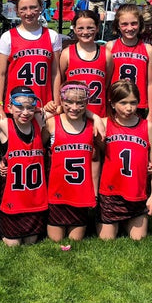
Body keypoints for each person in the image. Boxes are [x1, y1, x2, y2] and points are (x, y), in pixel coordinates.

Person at [96, 80, 152, 241]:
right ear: (112, 103)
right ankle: (107, 219)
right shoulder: (104, 124)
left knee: (139, 239)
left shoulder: (147, 127)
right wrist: (94, 117)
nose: (129, 108)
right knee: (106, 240)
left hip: (136, 194)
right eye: (123, 103)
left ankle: (127, 221)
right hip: (110, 194)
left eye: (133, 102)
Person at [0, 86, 48, 246]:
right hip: (13, 196)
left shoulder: (38, 121)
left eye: (30, 108)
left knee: (30, 242)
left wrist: (41, 109)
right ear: (9, 107)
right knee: (12, 244)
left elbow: (63, 109)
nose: (25, 112)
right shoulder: (5, 124)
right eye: (19, 107)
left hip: (34, 197)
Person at [44, 82, 99, 242]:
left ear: (86, 103)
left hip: (79, 194)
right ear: (61, 101)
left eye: (80, 103)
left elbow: (96, 159)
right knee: (55, 240)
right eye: (69, 102)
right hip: (57, 193)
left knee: (76, 240)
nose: (74, 107)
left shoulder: (93, 126)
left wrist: (95, 117)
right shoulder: (52, 123)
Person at [0, 0, 62, 119]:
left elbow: (55, 73)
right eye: (23, 8)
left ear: (41, 7)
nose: (29, 12)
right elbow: (1, 75)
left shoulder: (52, 36)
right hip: (17, 107)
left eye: (33, 7)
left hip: (44, 106)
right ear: (17, 10)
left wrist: (56, 103)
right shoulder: (8, 37)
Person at [106, 4, 152, 119]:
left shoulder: (148, 49)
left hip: (138, 104)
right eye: (124, 24)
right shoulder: (110, 47)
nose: (129, 28)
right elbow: (107, 81)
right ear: (117, 26)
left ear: (140, 24)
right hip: (116, 102)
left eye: (134, 23)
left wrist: (151, 113)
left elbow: (150, 83)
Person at [59, 10, 107, 119]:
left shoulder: (106, 54)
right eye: (80, 28)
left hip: (99, 113)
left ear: (97, 28)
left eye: (90, 28)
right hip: (73, 113)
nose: (85, 32)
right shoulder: (67, 53)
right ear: (74, 29)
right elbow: (61, 82)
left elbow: (107, 84)